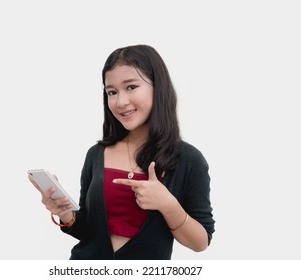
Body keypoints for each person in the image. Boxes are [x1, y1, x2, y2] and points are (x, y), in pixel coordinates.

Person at [28, 44, 215, 260]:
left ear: (158, 87)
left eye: (131, 87)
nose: (120, 102)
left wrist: (168, 204)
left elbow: (201, 242)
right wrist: (65, 214)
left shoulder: (189, 159)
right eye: (112, 92)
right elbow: (87, 230)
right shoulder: (96, 154)